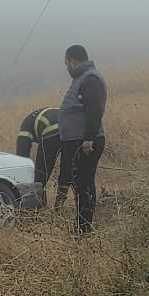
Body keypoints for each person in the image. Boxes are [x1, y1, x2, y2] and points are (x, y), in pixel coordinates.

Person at [58, 45, 108, 233]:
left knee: (84, 184)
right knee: (80, 183)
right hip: (79, 141)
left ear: (73, 61)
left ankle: (83, 229)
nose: (67, 68)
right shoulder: (82, 78)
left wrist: (88, 139)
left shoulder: (90, 79)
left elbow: (93, 110)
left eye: (67, 64)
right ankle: (82, 226)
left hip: (85, 142)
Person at [15, 106, 67, 205]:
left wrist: (23, 176)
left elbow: (21, 153)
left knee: (40, 176)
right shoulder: (49, 112)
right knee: (66, 170)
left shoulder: (26, 125)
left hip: (51, 132)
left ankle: (39, 208)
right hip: (72, 131)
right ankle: (59, 205)